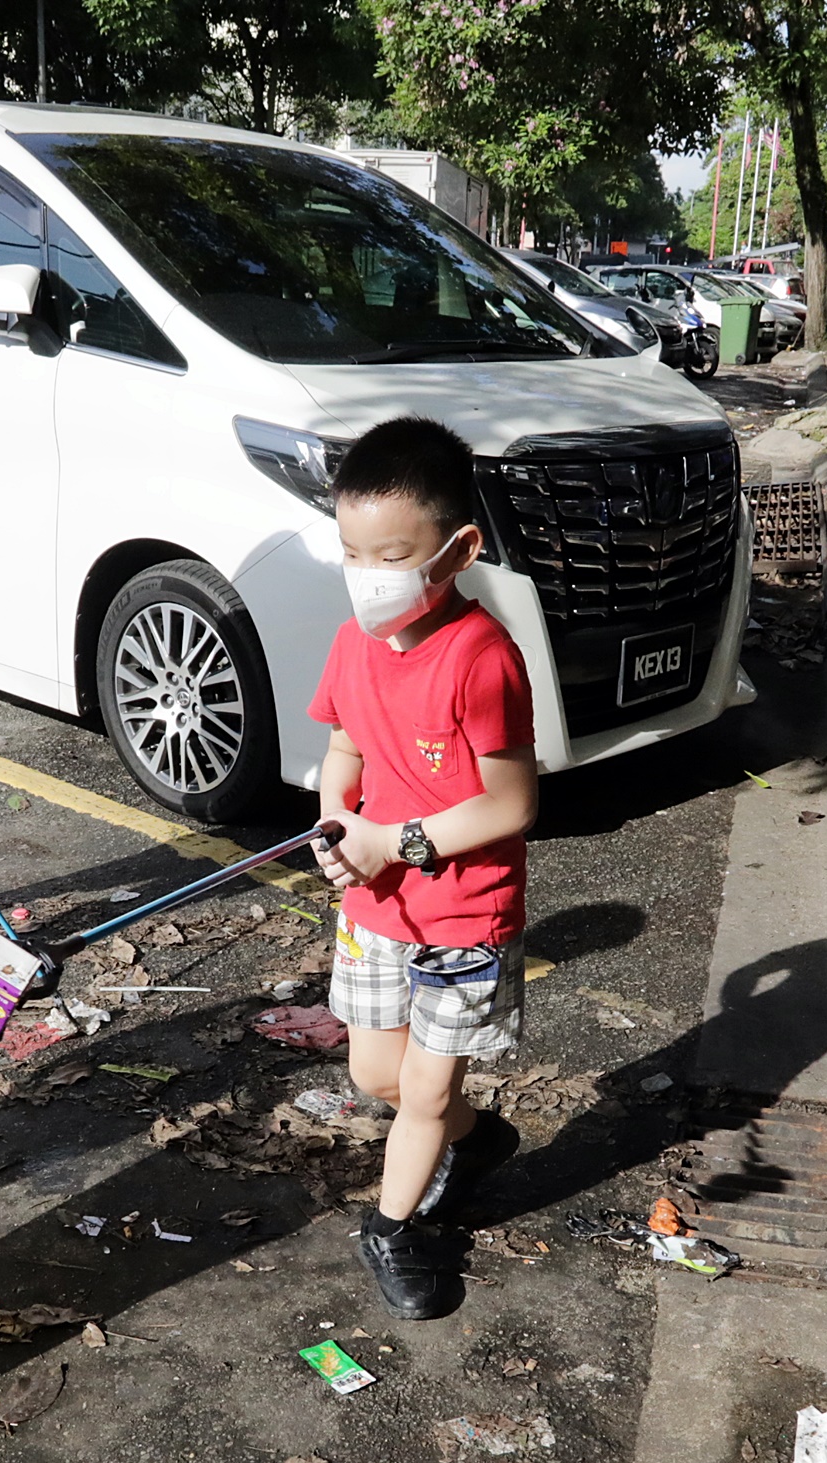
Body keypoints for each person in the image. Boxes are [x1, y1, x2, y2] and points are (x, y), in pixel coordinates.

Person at [307, 417, 537, 1321]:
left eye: (392, 556)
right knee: (380, 1079)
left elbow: (512, 805)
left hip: (465, 915)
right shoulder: (353, 643)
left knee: (428, 1089)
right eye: (352, 553)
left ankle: (394, 1226)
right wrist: (333, 820)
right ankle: (470, 1139)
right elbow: (342, 747)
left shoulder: (484, 659)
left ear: (458, 548)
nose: (370, 577)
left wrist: (393, 843)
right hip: (375, 909)